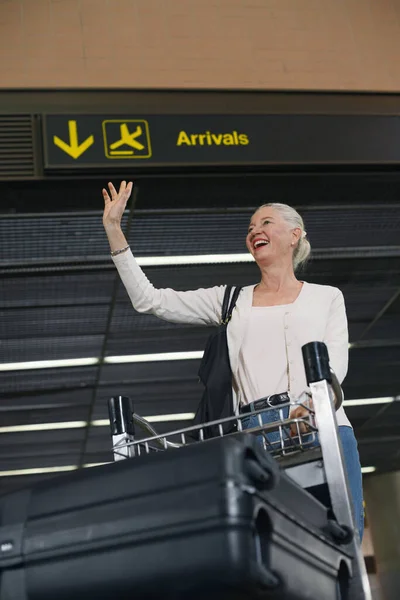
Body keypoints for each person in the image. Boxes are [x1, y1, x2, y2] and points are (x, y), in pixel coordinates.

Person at [102, 180, 364, 540]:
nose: (255, 230)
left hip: (322, 427)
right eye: (250, 227)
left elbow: (335, 361)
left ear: (294, 235)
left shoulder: (327, 297)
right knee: (272, 545)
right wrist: (114, 230)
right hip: (255, 436)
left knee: (342, 537)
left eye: (266, 223)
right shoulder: (231, 301)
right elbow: (150, 300)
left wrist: (309, 405)